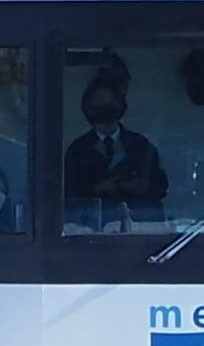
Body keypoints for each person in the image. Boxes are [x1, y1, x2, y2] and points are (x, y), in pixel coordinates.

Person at [56, 64, 169, 226]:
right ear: (89, 107)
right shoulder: (77, 150)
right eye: (100, 101)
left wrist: (135, 186)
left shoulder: (142, 146)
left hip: (137, 231)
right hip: (91, 232)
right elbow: (67, 195)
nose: (105, 105)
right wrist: (98, 189)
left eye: (110, 100)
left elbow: (160, 187)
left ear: (120, 104)